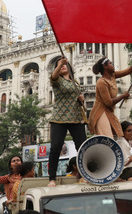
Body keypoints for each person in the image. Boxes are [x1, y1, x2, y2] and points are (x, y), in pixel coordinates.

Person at [47, 56, 88, 187]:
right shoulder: (57, 80)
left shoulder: (75, 82)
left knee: (82, 147)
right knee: (55, 147)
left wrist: (81, 99)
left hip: (76, 117)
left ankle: (84, 174)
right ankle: (52, 178)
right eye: (59, 65)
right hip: (59, 117)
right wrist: (60, 64)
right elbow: (53, 76)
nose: (63, 65)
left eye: (64, 64)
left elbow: (77, 99)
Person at [88, 55, 132, 137]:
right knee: (108, 138)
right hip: (100, 113)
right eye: (110, 63)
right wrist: (123, 96)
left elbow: (128, 71)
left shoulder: (113, 76)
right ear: (105, 66)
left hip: (109, 112)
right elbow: (108, 102)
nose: (113, 64)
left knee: (120, 135)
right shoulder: (101, 82)